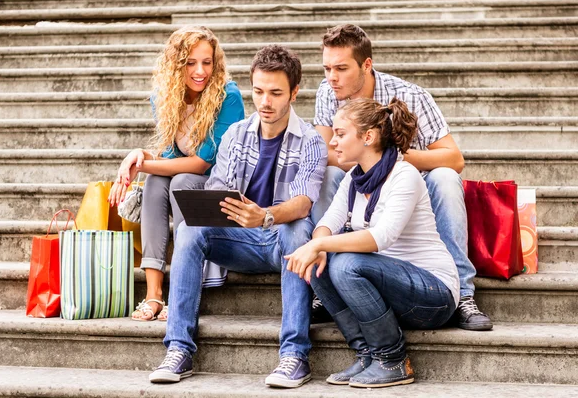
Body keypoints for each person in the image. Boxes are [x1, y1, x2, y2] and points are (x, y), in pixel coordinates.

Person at [148, 45, 327, 388]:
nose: (265, 102)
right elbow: (219, 194)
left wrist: (265, 216)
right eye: (259, 92)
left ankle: (294, 356)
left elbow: (304, 202)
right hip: (239, 240)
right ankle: (179, 349)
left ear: (294, 92)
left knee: (297, 229)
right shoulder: (236, 134)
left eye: (276, 93)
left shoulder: (311, 141)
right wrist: (220, 209)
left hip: (281, 241)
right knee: (189, 231)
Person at [312, 24, 492, 331]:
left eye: (341, 68)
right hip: (364, 189)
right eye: (327, 68)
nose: (332, 77)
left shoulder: (410, 95)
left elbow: (454, 157)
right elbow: (325, 151)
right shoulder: (327, 93)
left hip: (411, 194)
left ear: (366, 65)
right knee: (328, 173)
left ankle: (462, 294)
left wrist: (389, 158)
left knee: (446, 178)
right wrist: (365, 161)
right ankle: (329, 279)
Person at [287, 97, 460, 388]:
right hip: (392, 288)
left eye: (341, 134)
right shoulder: (354, 178)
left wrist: (320, 246)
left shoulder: (404, 175)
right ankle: (367, 354)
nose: (333, 142)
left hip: (434, 294)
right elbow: (327, 223)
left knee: (344, 262)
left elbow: (381, 237)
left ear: (368, 136)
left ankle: (392, 360)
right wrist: (318, 244)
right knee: (320, 265)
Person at [108, 25, 245, 321]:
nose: (200, 71)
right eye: (190, 63)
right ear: (176, 64)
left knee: (181, 180)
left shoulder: (227, 96)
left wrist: (141, 165)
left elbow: (201, 163)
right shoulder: (165, 98)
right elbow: (170, 156)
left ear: (215, 63)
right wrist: (139, 156)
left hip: (222, 183)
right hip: (185, 182)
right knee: (157, 180)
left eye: (206, 62)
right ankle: (154, 293)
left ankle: (185, 288)